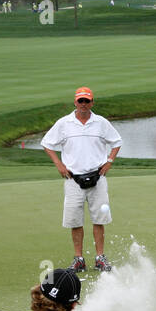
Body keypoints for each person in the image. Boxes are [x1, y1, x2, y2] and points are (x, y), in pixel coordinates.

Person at [41, 87, 122, 272]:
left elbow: (117, 142)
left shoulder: (101, 122)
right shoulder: (64, 123)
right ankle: (79, 259)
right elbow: (47, 143)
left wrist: (109, 161)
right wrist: (58, 164)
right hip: (73, 179)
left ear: (92, 102)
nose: (83, 105)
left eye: (87, 101)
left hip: (98, 177)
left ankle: (100, 257)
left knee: (98, 219)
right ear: (75, 103)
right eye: (80, 101)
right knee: (75, 221)